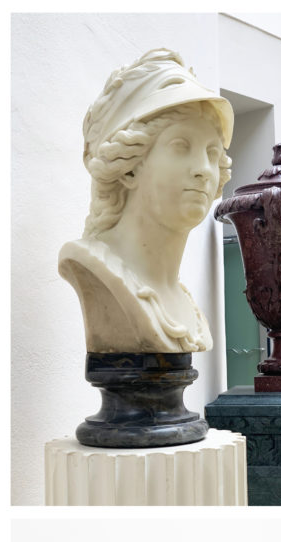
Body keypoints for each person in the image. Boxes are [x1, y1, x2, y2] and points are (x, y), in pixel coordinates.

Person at [59, 49, 234, 354]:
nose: (204, 170)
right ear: (129, 167)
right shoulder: (95, 270)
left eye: (212, 153)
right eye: (181, 146)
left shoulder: (182, 303)